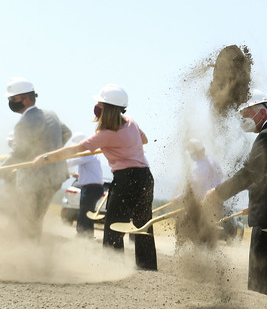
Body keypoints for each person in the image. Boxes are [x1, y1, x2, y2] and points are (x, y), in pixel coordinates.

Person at [33, 84, 158, 270]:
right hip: (145, 177)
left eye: (99, 104)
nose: (96, 107)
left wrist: (45, 158)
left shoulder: (105, 134)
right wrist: (123, 145)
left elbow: (75, 150)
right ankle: (147, 266)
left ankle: (112, 266)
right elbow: (144, 140)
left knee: (114, 224)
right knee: (143, 223)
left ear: (106, 108)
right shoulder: (131, 121)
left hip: (126, 179)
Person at [208, 90, 267, 298]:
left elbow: (251, 172)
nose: (243, 120)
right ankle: (265, 302)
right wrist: (257, 202)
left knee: (262, 263)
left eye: (246, 115)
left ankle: (262, 306)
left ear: (260, 113)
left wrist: (219, 192)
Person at [4, 77, 71, 239]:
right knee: (36, 219)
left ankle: (27, 255)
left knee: (27, 220)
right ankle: (33, 253)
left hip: (34, 182)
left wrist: (2, 170)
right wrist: (49, 152)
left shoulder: (24, 123)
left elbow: (18, 154)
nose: (11, 102)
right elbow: (67, 133)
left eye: (13, 99)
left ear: (26, 100)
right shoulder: (51, 115)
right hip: (56, 177)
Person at [64, 133, 105, 236]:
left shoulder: (88, 152)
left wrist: (58, 162)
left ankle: (82, 235)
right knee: (87, 213)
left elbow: (73, 161)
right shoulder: (90, 154)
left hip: (91, 188)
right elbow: (90, 172)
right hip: (92, 188)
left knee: (84, 213)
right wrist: (79, 176)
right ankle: (87, 236)